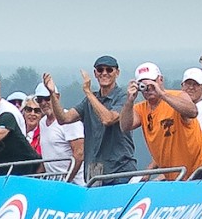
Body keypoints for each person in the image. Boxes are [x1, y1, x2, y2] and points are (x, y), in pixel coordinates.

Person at [44, 56, 136, 185]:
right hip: (95, 172)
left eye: (109, 70)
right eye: (100, 70)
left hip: (119, 171)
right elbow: (64, 119)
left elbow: (108, 119)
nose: (104, 73)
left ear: (117, 73)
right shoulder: (89, 100)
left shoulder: (123, 97)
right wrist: (52, 94)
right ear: (95, 73)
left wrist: (88, 92)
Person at [120, 63, 202, 180]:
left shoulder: (178, 96)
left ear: (160, 80)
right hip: (176, 175)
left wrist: (162, 94)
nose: (148, 88)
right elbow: (125, 126)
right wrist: (129, 100)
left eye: (152, 82)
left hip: (199, 168)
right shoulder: (141, 109)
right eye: (143, 84)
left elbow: (192, 111)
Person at [36, 82, 86, 185]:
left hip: (74, 184)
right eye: (40, 100)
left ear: (57, 97)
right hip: (53, 183)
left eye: (47, 98)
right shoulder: (42, 123)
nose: (43, 103)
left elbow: (79, 153)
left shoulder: (70, 121)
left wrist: (66, 180)